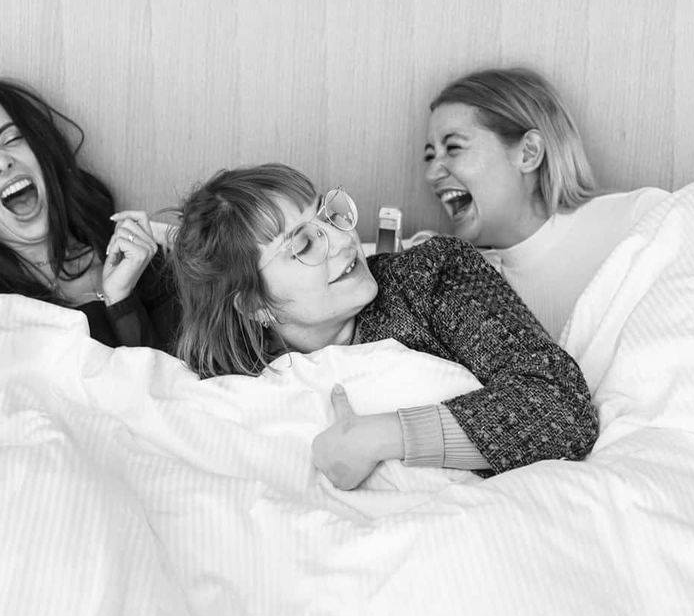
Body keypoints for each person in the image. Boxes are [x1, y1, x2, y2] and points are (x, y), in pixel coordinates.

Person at [169, 164, 599, 489]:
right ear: (254, 304)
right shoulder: (236, 390)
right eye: (303, 243)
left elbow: (562, 406)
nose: (343, 240)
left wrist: (382, 436)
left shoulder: (430, 276)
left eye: (328, 216)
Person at [0, 78, 179, 351]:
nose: (1, 162)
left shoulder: (135, 257)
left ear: (45, 151)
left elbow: (171, 379)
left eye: (12, 138)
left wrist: (122, 300)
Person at [424, 66, 669, 339]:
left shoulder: (643, 221)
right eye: (430, 156)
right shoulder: (464, 286)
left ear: (528, 152)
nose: (431, 174)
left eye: (453, 148)